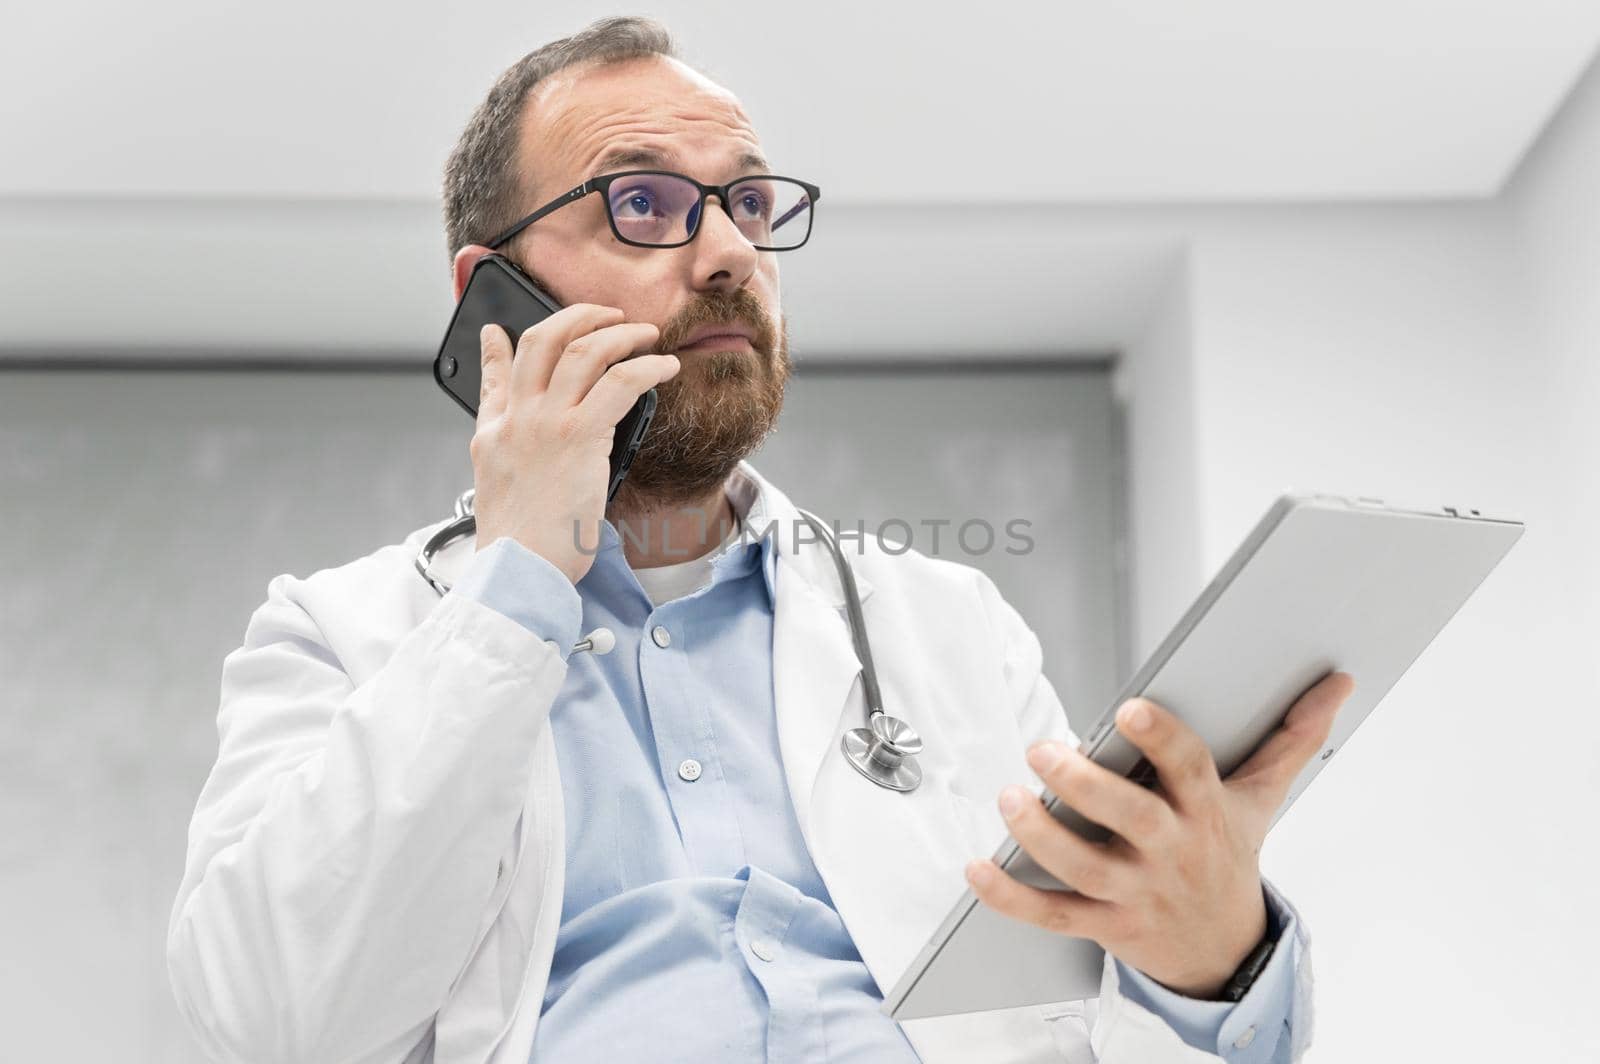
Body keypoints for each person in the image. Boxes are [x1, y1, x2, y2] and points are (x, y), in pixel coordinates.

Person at [166, 16, 1354, 1064]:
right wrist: (515, 580)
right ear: (493, 293)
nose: (731, 250)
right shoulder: (342, 633)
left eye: (745, 201)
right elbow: (275, 1022)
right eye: (643, 202)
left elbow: (1089, 1023)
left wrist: (1208, 963)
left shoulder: (947, 625)